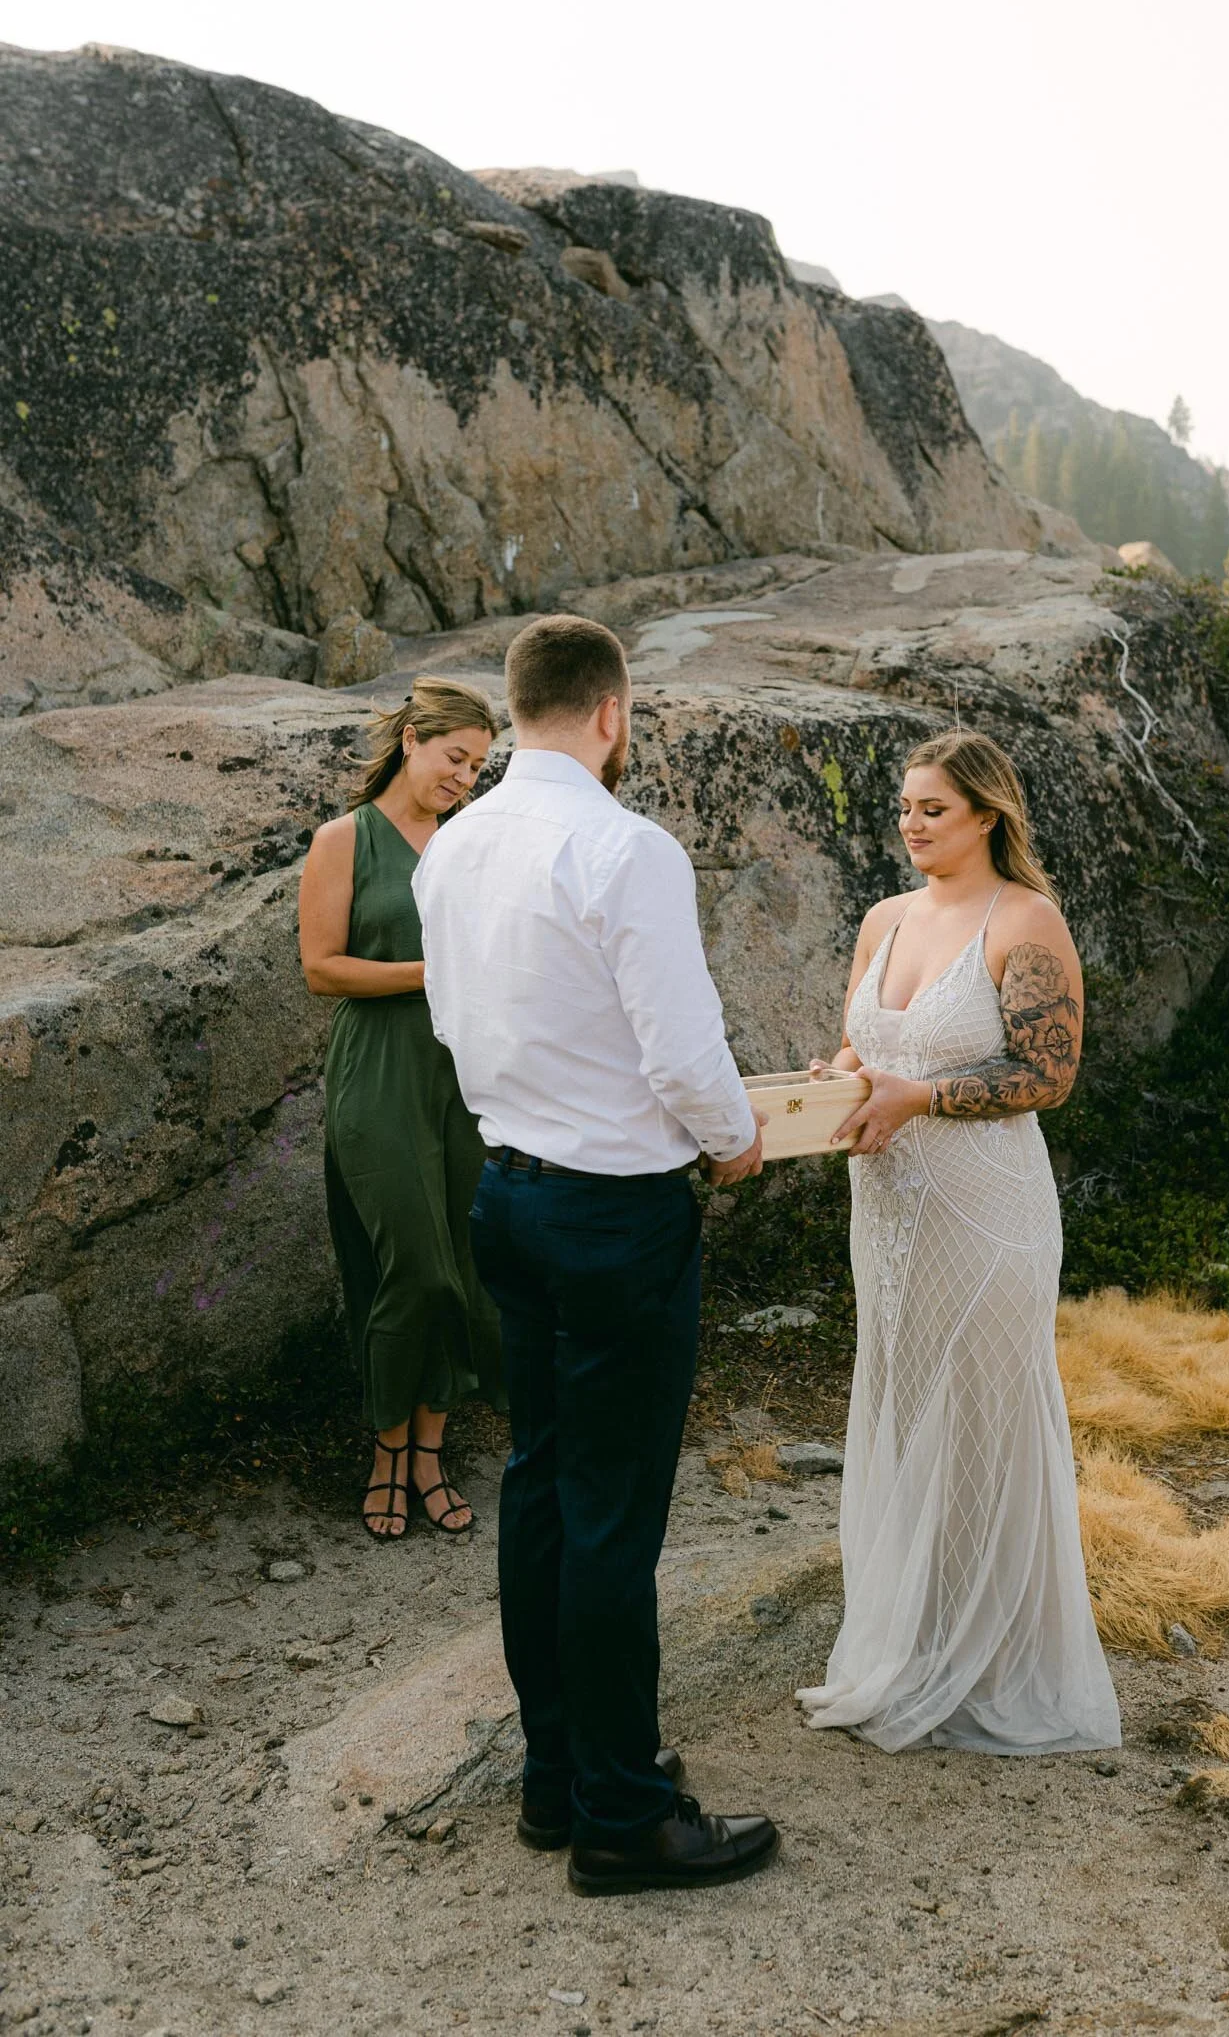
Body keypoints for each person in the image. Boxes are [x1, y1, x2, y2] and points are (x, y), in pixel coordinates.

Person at [413, 614, 779, 1896]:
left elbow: (455, 1025)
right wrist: (735, 1136)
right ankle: (625, 1816)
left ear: (517, 712)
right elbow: (683, 1054)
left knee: (541, 1486)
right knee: (614, 1517)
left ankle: (556, 1775)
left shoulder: (453, 847)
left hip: (504, 1196)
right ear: (613, 713)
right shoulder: (626, 849)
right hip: (616, 1216)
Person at [796, 729, 1121, 1755]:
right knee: (904, 1399)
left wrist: (920, 1094)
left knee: (980, 1417)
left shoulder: (1025, 922)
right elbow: (865, 1044)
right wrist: (832, 1080)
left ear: (987, 816)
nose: (912, 824)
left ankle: (989, 1659)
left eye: (933, 809)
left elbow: (1048, 1074)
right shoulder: (885, 919)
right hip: (888, 1215)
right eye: (904, 807)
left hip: (986, 1214)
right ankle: (915, 1634)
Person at [299, 676, 505, 1542]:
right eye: (455, 757)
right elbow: (322, 968)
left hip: (464, 1073)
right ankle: (385, 1448)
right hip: (376, 1069)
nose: (464, 777)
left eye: (478, 766)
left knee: (461, 1262)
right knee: (409, 1267)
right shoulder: (344, 839)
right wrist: (434, 975)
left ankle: (428, 1451)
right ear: (414, 739)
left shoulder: (470, 845)